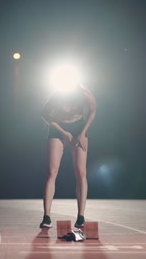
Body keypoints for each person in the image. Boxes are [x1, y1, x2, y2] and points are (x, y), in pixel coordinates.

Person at [40, 83, 97, 228]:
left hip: (78, 127)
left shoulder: (85, 94)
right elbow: (45, 113)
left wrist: (83, 133)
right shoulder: (58, 94)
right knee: (52, 172)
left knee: (81, 172)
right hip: (58, 128)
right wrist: (63, 132)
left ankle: (81, 216)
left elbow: (92, 111)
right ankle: (46, 216)